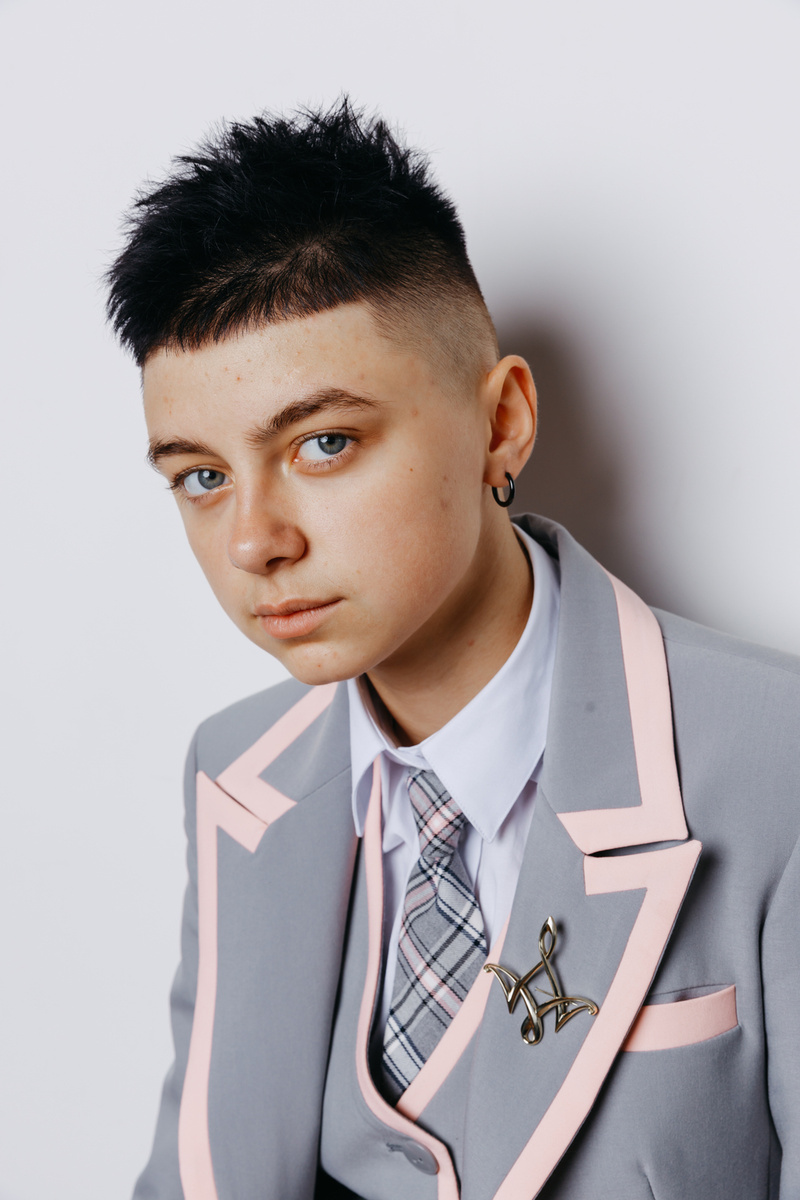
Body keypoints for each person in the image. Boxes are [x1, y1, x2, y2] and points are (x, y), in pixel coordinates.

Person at [106, 100, 800, 1200]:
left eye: (323, 443)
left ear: (502, 423)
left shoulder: (774, 760)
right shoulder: (239, 776)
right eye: (201, 476)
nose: (253, 541)